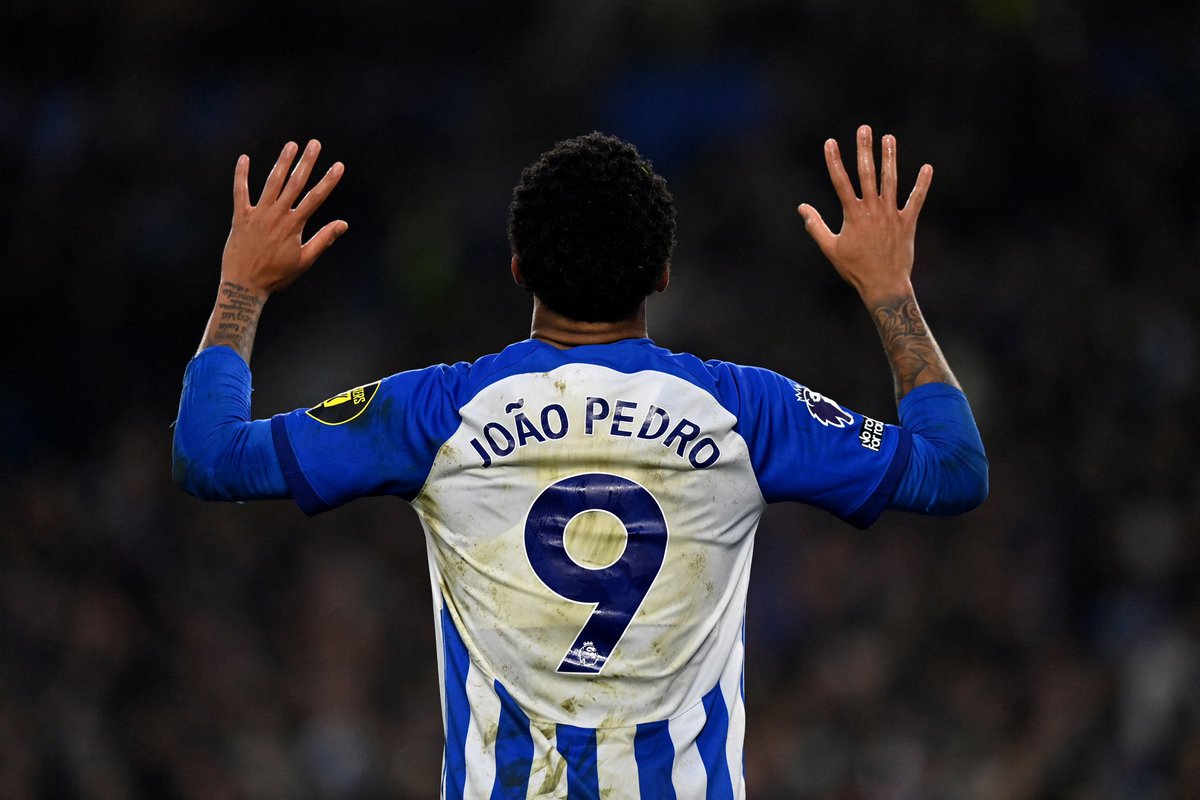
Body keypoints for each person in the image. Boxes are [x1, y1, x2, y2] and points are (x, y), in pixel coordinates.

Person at [174, 126, 987, 798]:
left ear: (520, 268)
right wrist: (890, 292)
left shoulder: (436, 413)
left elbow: (210, 456)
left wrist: (241, 289)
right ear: (663, 275)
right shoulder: (748, 413)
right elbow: (954, 470)